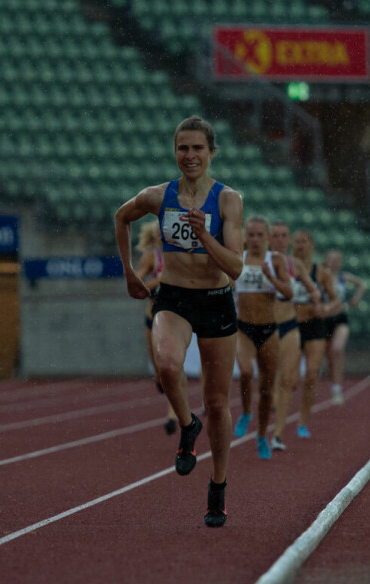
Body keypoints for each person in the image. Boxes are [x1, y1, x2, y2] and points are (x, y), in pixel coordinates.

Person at [115, 116, 243, 528]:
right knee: (167, 364)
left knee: (219, 402)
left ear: (211, 153)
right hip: (173, 297)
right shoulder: (158, 196)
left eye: (197, 149)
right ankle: (188, 426)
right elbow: (121, 217)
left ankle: (218, 485)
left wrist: (206, 237)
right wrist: (130, 272)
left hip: (216, 300)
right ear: (175, 152)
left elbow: (237, 267)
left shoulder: (227, 201)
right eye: (182, 148)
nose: (189, 156)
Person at [232, 216, 293, 460]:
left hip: (269, 330)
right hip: (243, 328)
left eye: (260, 235)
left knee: (267, 391)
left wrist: (271, 276)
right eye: (252, 234)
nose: (255, 239)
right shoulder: (238, 257)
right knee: (246, 372)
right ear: (246, 235)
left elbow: (288, 292)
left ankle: (260, 436)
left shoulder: (275, 260)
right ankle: (246, 412)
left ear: (267, 237)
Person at [268, 221, 320, 451]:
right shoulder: (256, 261)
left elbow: (314, 290)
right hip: (265, 325)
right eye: (275, 236)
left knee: (294, 378)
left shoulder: (295, 265)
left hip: (294, 324)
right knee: (267, 377)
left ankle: (279, 433)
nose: (280, 240)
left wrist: (317, 299)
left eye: (284, 236)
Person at [291, 230, 338, 438]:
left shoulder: (321, 272)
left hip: (314, 325)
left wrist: (326, 309)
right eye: (297, 242)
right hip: (290, 325)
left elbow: (336, 299)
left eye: (304, 242)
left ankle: (302, 421)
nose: (300, 246)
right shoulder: (286, 268)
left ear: (312, 246)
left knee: (311, 373)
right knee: (290, 378)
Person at [134, 220, 180, 434]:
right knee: (159, 370)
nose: (165, 238)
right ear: (155, 237)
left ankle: (172, 415)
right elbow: (136, 285)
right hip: (152, 317)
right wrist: (158, 281)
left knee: (170, 366)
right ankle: (159, 380)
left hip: (174, 318)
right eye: (161, 234)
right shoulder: (151, 257)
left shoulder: (180, 255)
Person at [321, 249, 366, 405]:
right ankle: (334, 383)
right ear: (326, 261)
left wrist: (355, 299)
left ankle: (337, 389)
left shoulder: (343, 277)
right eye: (331, 259)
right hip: (324, 319)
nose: (334, 262)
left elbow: (361, 284)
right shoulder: (321, 276)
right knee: (329, 360)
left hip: (340, 318)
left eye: (337, 260)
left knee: (337, 349)